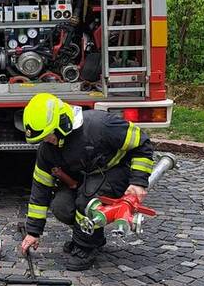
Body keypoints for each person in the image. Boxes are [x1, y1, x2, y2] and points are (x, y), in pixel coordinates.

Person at [18, 93, 155, 271]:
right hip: (86, 177)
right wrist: (33, 232)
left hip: (116, 171)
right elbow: (40, 189)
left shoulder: (100, 126)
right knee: (61, 206)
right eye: (42, 138)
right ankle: (93, 237)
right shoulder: (48, 150)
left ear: (63, 124)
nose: (46, 141)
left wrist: (138, 182)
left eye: (48, 135)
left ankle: (85, 248)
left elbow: (142, 144)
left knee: (87, 200)